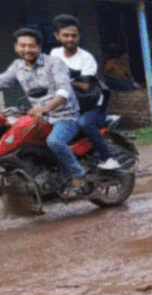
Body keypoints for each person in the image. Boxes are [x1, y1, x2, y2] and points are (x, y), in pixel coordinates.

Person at [0, 28, 88, 196]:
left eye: (31, 46)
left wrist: (46, 108)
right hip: (38, 117)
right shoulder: (17, 66)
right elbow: (2, 81)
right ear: (16, 47)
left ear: (39, 46)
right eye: (22, 46)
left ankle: (78, 175)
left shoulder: (54, 63)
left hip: (64, 116)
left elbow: (64, 91)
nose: (27, 50)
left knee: (54, 142)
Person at [50, 14, 120, 172]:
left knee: (84, 123)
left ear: (79, 36)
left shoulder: (86, 58)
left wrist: (63, 81)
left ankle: (108, 158)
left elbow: (85, 86)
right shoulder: (54, 54)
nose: (70, 39)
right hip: (70, 105)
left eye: (73, 36)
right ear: (57, 36)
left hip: (92, 104)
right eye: (65, 35)